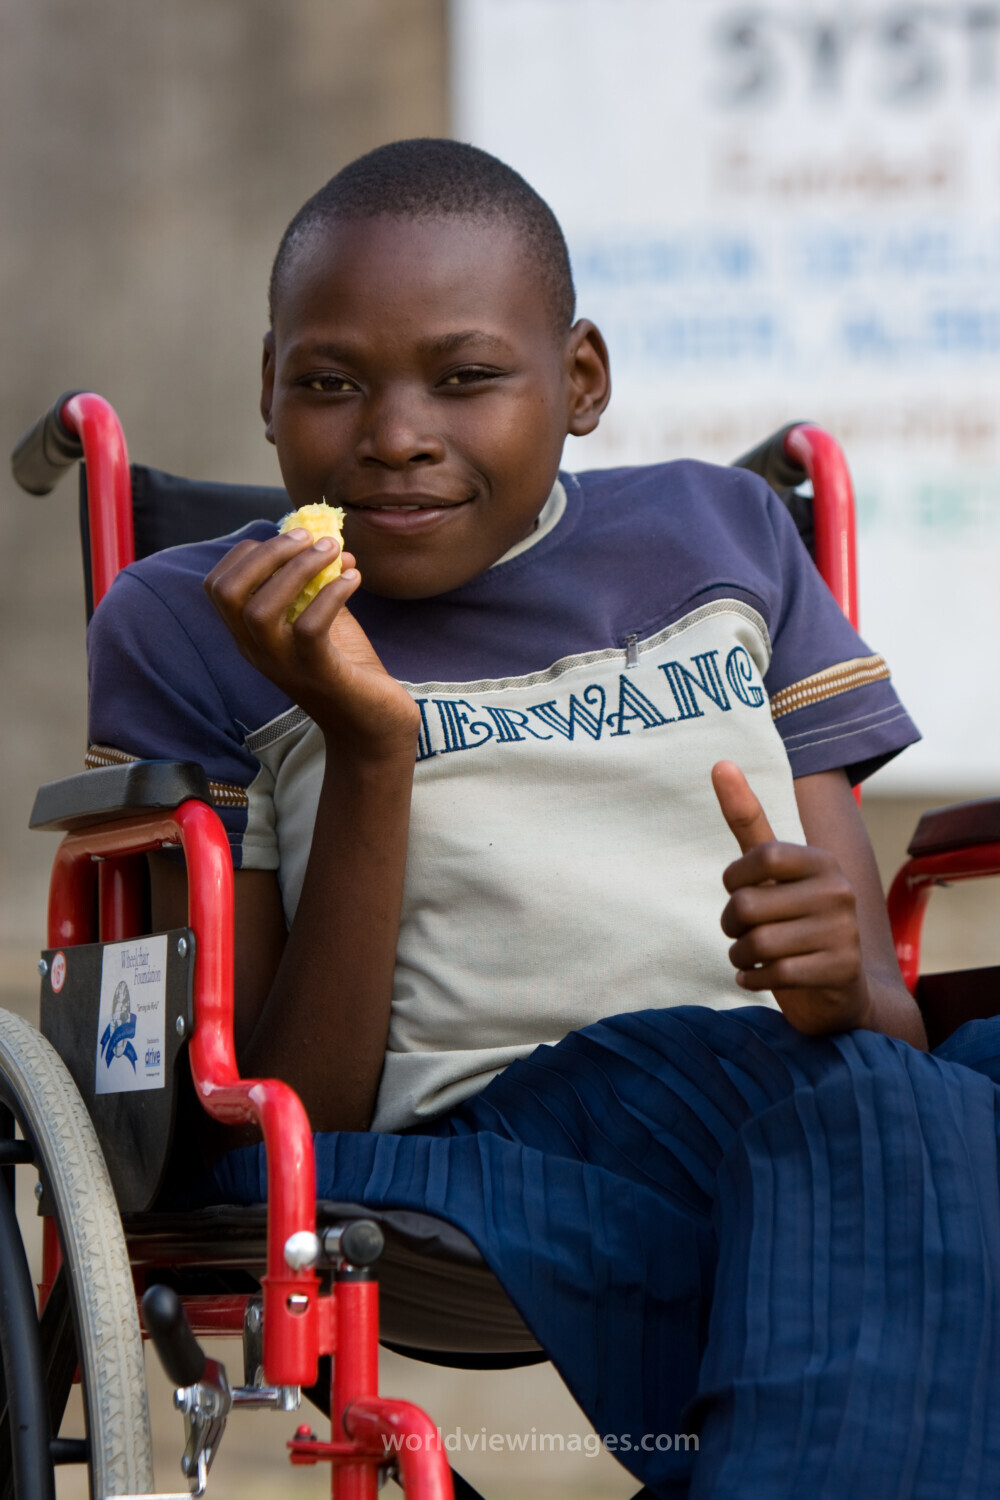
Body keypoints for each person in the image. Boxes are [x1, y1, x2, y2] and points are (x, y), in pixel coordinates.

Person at [87, 140, 1000, 1497]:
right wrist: (371, 747)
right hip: (488, 1135)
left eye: (466, 378)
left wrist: (834, 981)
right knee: (889, 1123)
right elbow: (278, 1112)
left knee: (888, 1099)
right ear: (268, 391)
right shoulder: (204, 618)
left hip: (806, 1101)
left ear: (580, 381)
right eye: (331, 382)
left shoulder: (728, 534)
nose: (395, 432)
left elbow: (883, 1015)